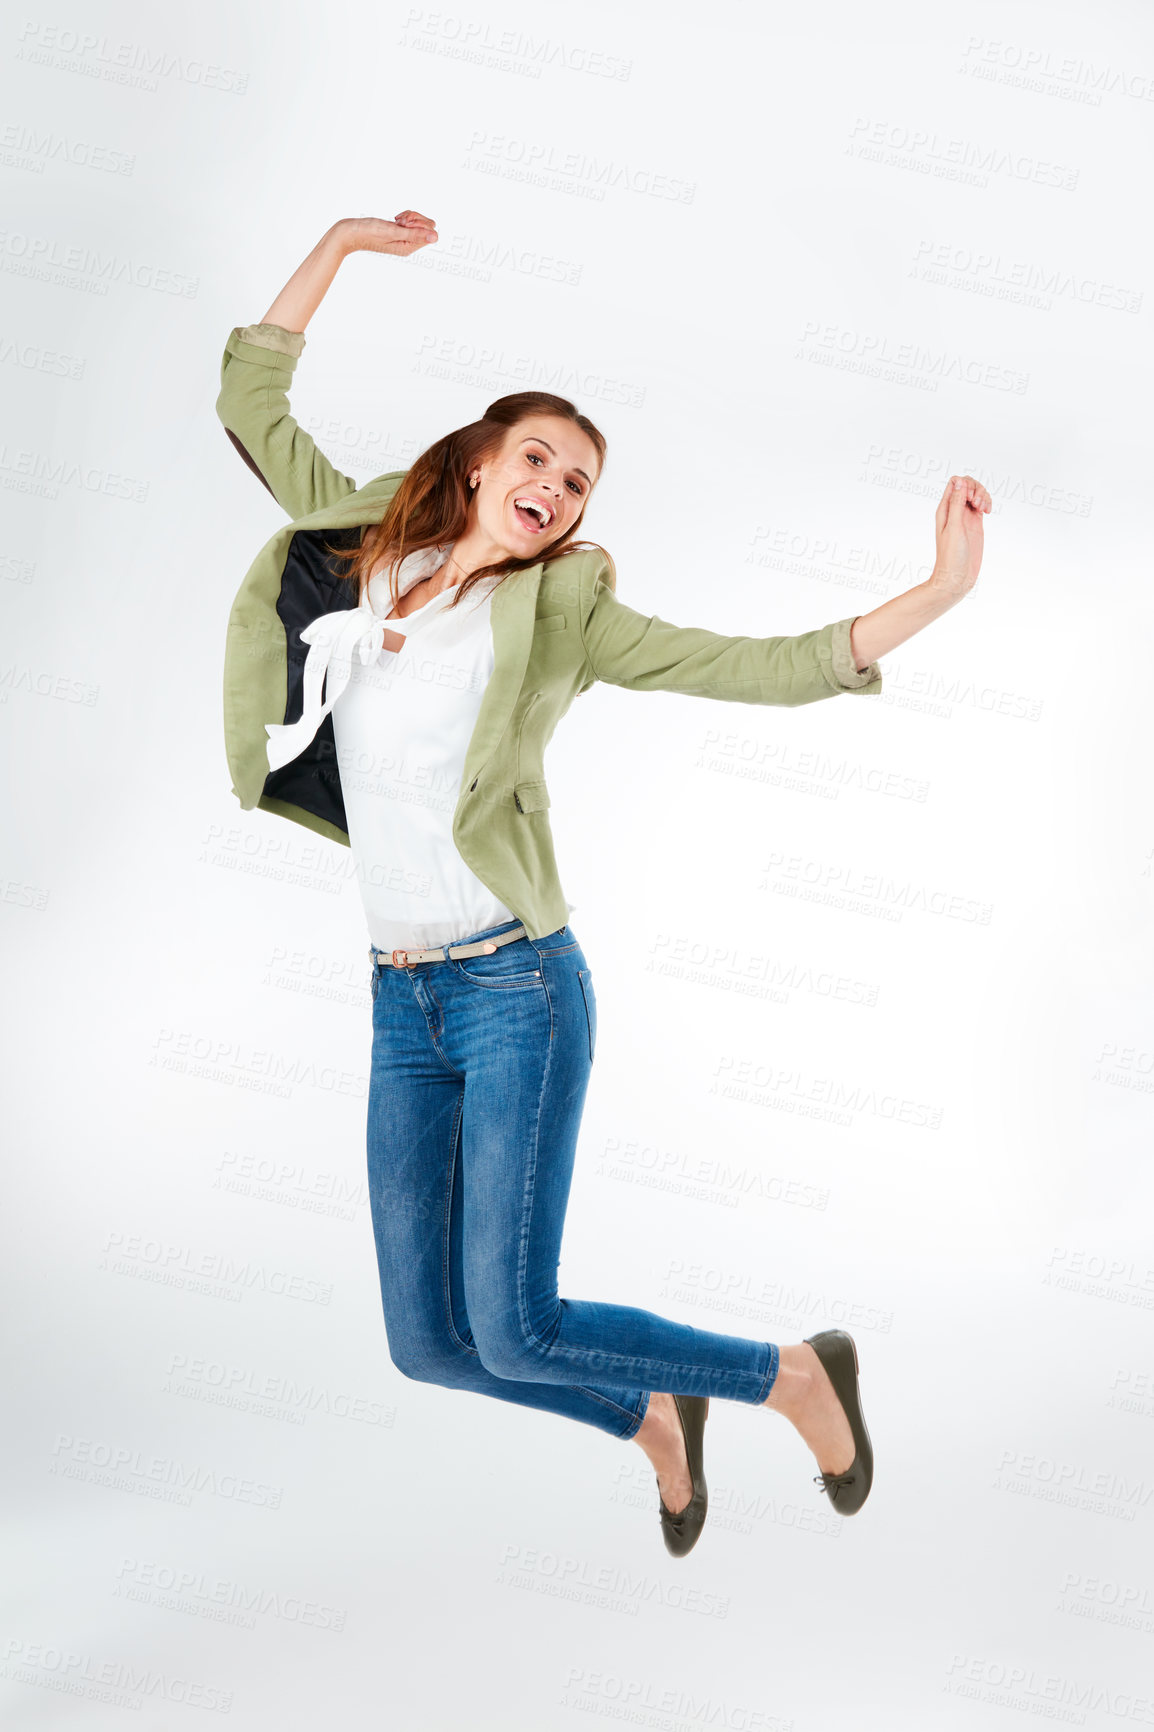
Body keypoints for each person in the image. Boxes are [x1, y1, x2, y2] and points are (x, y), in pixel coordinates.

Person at [215, 212, 990, 1557]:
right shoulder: (369, 554)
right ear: (473, 463)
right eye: (537, 459)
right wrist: (340, 244)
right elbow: (249, 396)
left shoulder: (562, 608)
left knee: (517, 1325)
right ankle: (647, 1420)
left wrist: (934, 592)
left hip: (518, 985)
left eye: (578, 482)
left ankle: (790, 1372)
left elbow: (745, 662)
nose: (558, 489)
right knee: (431, 1346)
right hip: (402, 1004)